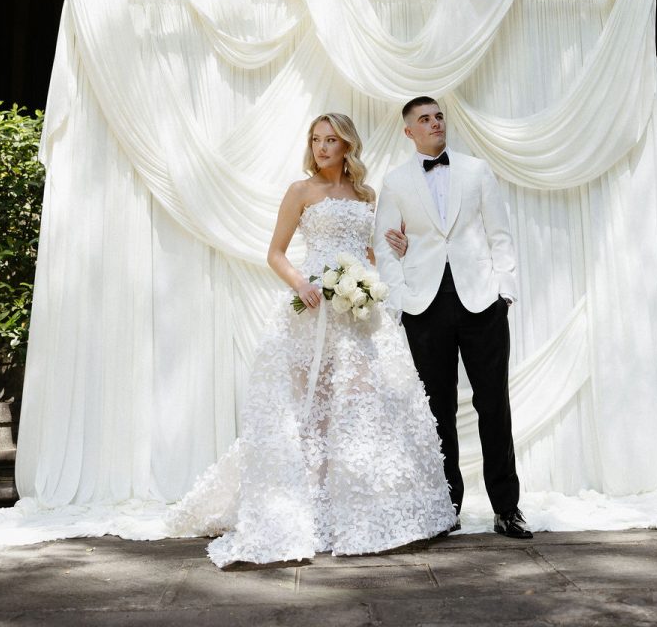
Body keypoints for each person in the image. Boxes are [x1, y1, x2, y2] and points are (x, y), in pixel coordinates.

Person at [169, 113, 455, 566]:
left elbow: (370, 253)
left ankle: (363, 508)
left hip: (359, 310)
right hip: (313, 309)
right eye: (317, 140)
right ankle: (311, 509)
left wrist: (390, 255)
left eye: (332, 140)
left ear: (347, 146)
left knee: (363, 404)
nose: (322, 148)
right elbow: (275, 253)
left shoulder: (366, 194)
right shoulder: (300, 192)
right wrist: (301, 284)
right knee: (310, 410)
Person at [373, 96, 532, 540]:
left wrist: (505, 291)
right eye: (424, 119)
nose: (435, 123)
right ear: (409, 131)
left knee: (493, 405)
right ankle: (446, 508)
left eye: (439, 116)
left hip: (482, 301)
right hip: (424, 305)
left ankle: (507, 509)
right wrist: (400, 299)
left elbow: (500, 235)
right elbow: (385, 246)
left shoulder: (476, 170)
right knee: (437, 411)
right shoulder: (396, 181)